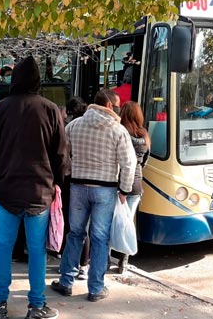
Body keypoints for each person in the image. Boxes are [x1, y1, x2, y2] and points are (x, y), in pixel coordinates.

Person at [0, 56, 67, 319]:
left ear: (14, 79)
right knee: (37, 252)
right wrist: (56, 183)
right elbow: (61, 156)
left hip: (5, 192)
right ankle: (37, 305)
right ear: (37, 80)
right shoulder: (51, 109)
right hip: (39, 193)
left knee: (3, 248)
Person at [51, 88, 136, 302]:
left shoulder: (74, 125)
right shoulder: (118, 131)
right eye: (116, 105)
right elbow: (128, 163)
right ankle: (96, 288)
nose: (118, 108)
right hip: (105, 190)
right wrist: (124, 189)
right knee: (99, 239)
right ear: (108, 105)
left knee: (76, 234)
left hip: (78, 187)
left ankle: (66, 281)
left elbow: (63, 153)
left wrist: (70, 172)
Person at [116, 101, 150, 273]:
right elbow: (144, 162)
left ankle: (106, 258)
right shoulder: (144, 136)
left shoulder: (120, 133)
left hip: (119, 184)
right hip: (136, 185)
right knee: (128, 222)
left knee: (112, 221)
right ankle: (123, 261)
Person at [59, 97, 90, 279]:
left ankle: (68, 265)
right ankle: (84, 266)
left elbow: (63, 156)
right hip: (93, 182)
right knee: (85, 227)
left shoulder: (70, 128)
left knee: (72, 226)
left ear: (69, 112)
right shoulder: (94, 126)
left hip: (72, 181)